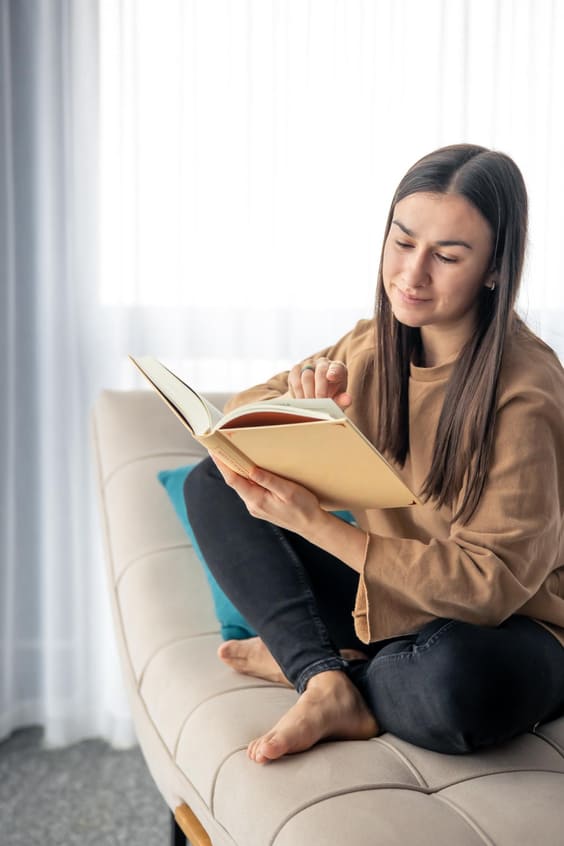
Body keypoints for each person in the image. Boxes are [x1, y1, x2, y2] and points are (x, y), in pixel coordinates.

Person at [184, 143, 564, 763]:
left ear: (495, 268)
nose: (412, 275)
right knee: (214, 480)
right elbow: (240, 416)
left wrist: (314, 525)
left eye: (446, 256)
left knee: (455, 685)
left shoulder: (526, 390)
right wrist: (305, 410)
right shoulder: (372, 344)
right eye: (402, 241)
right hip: (398, 601)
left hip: (512, 628)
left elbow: (489, 587)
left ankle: (320, 664)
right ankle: (322, 674)